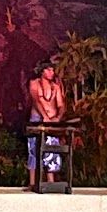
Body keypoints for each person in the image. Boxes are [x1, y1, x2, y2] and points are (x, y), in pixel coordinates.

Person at [25, 60, 67, 189]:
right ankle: (32, 183)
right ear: (42, 71)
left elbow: (61, 105)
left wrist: (57, 118)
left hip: (52, 120)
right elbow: (36, 100)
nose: (52, 73)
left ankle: (51, 183)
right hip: (38, 118)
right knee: (34, 150)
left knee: (52, 150)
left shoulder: (56, 87)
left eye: (53, 70)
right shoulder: (34, 84)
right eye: (49, 70)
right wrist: (44, 116)